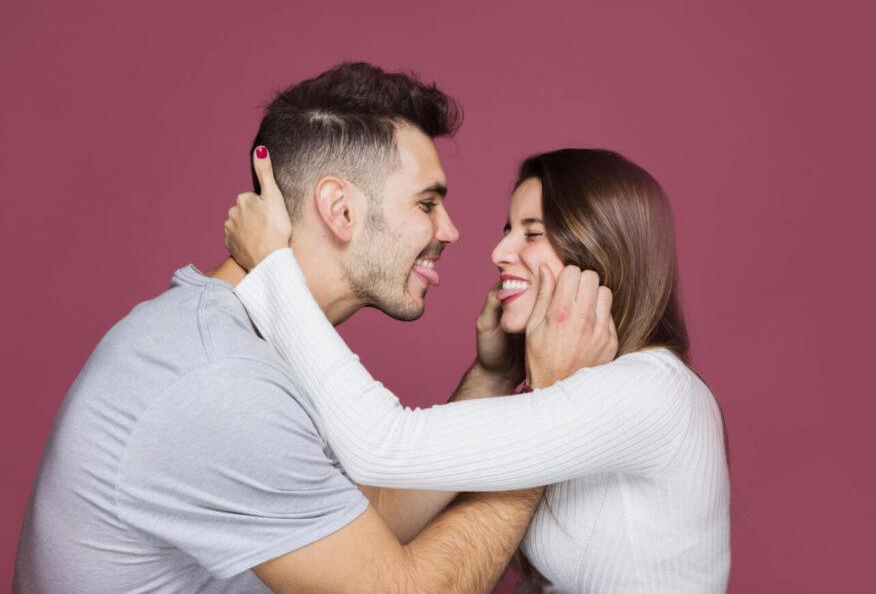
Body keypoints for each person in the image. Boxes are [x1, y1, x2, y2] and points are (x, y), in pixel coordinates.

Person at [13, 62, 616, 593]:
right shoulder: (220, 378)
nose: (451, 231)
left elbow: (366, 521)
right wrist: (555, 416)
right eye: (427, 203)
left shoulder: (249, 341)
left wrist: (493, 376)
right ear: (341, 209)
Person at [226, 148, 731, 592]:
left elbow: (381, 445)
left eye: (531, 234)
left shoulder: (649, 392)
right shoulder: (593, 389)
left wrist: (274, 268)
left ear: (599, 254)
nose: (499, 252)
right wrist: (494, 373)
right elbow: (397, 516)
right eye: (508, 229)